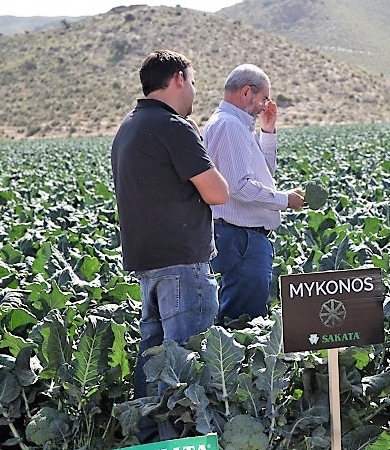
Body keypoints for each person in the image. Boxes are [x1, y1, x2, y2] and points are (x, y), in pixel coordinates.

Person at [110, 49, 229, 442]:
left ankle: (149, 440)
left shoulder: (129, 126)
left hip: (148, 262)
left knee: (153, 360)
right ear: (178, 79)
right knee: (184, 367)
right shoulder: (173, 127)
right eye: (192, 81)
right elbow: (217, 193)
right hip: (182, 262)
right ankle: (182, 441)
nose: (194, 89)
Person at [202, 64, 304, 324]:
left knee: (246, 315)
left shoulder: (236, 125)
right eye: (264, 98)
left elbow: (263, 175)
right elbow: (239, 186)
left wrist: (267, 130)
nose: (265, 105)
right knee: (243, 321)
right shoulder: (229, 126)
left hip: (242, 237)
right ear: (247, 92)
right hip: (241, 238)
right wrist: (285, 200)